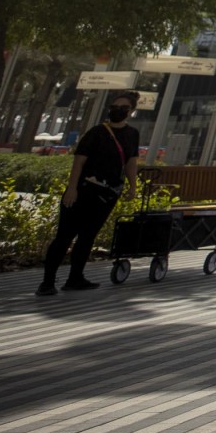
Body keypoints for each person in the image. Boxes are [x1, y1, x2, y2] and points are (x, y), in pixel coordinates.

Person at [39, 94, 140, 295]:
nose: (117, 110)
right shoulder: (96, 132)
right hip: (84, 191)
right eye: (114, 106)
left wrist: (133, 187)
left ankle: (75, 278)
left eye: (123, 107)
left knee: (88, 237)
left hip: (107, 194)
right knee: (64, 236)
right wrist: (72, 188)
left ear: (131, 112)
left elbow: (130, 162)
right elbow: (79, 161)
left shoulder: (132, 134)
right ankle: (47, 283)